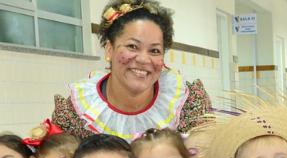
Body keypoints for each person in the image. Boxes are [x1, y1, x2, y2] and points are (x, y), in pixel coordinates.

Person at [51, 0, 211, 140]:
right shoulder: (75, 114)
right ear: (109, 50)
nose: (143, 59)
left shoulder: (187, 104)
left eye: (154, 51)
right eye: (132, 46)